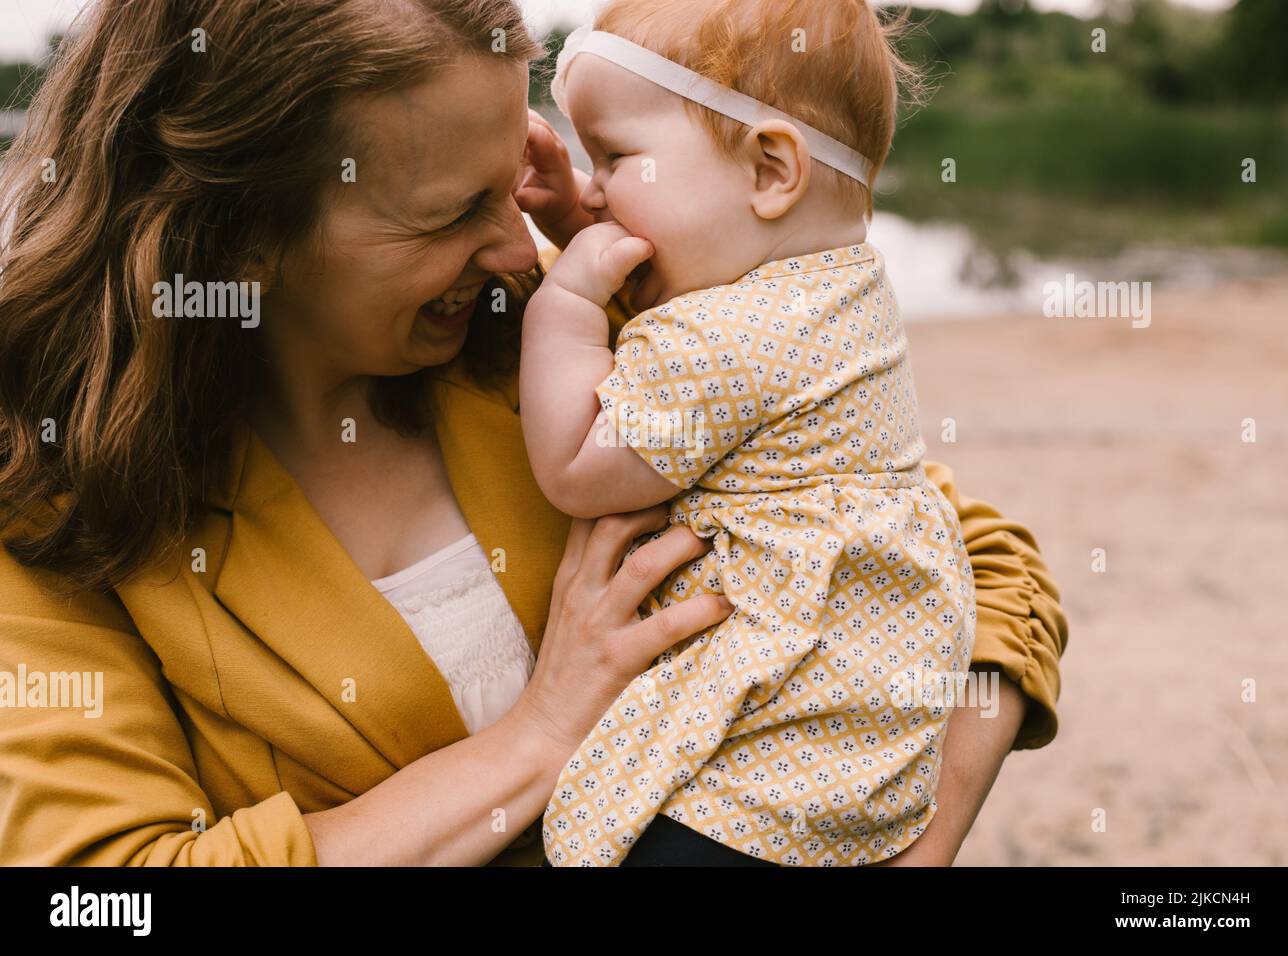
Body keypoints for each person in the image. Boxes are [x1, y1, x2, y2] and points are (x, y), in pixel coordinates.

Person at [0, 0, 1066, 866]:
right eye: (451, 211)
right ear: (236, 238)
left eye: (512, 181)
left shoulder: (554, 343)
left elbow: (975, 556)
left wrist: (926, 822)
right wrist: (537, 739)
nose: (519, 241)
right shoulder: (58, 507)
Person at [521, 1, 978, 866]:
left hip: (765, 748)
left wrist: (569, 304)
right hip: (866, 710)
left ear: (772, 169)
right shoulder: (840, 288)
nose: (591, 189)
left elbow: (580, 466)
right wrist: (596, 233)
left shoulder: (720, 340)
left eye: (615, 157)